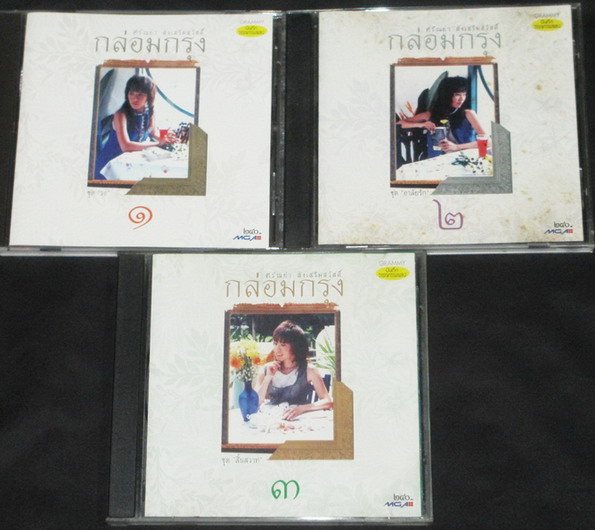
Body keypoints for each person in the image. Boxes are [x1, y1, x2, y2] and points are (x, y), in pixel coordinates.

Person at [94, 74, 177, 179]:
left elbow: (153, 132)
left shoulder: (149, 111)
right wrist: (158, 143)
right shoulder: (120, 115)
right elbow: (126, 146)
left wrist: (166, 138)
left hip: (130, 162)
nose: (135, 98)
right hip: (110, 166)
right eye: (131, 93)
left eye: (140, 94)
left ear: (149, 97)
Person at [253, 321, 333, 421]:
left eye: (283, 345)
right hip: (270, 420)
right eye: (275, 344)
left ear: (295, 347)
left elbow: (327, 401)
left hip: (299, 421)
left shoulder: (309, 370)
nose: (277, 349)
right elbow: (254, 403)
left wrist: (301, 409)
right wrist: (268, 378)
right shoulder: (266, 369)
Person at [397, 75, 487, 158]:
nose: (462, 98)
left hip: (464, 160)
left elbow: (487, 141)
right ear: (447, 95)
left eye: (464, 94)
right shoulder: (431, 114)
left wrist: (457, 147)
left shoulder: (468, 114)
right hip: (437, 162)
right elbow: (399, 124)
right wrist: (421, 124)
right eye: (457, 94)